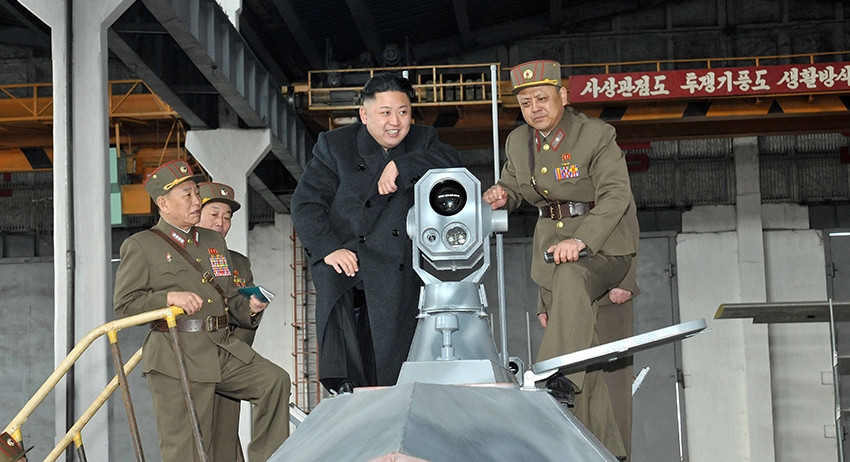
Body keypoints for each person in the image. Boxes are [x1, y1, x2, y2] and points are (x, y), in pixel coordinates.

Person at [482, 60, 637, 459]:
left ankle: (551, 374)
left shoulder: (596, 135)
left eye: (542, 98)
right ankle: (604, 452)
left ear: (563, 97)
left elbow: (618, 195)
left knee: (587, 357)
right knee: (584, 359)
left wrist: (583, 240)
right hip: (554, 258)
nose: (534, 108)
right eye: (525, 102)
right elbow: (515, 187)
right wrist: (502, 194)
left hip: (606, 250)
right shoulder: (519, 141)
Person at [290, 72, 461, 394]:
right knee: (349, 362)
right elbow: (306, 204)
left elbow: (451, 159)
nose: (395, 122)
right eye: (385, 113)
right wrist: (328, 248)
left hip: (396, 266)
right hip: (348, 260)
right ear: (364, 115)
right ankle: (345, 388)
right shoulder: (335, 145)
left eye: (403, 112)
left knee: (390, 369)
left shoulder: (423, 140)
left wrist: (402, 166)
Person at [113, 160, 290, 461]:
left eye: (196, 193)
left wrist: (251, 308)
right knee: (188, 451)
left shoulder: (211, 241)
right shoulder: (141, 245)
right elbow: (125, 306)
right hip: (176, 354)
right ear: (163, 203)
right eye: (187, 195)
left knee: (274, 381)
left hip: (221, 348)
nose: (196, 201)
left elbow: (229, 298)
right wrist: (168, 298)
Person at [197, 181, 261, 461]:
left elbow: (245, 318)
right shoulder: (177, 256)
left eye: (226, 217)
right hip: (191, 359)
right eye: (213, 214)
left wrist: (254, 310)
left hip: (227, 360)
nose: (220, 223)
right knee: (193, 439)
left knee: (224, 437)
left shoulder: (238, 263)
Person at [596, 200, 640, 459]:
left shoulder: (609, 177)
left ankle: (617, 457)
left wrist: (626, 281)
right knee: (571, 387)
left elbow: (628, 223)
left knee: (614, 392)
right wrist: (544, 300)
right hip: (569, 297)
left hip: (609, 293)